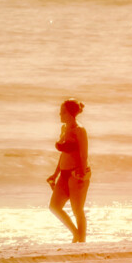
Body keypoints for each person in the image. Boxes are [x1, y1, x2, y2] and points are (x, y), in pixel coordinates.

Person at [47, 98, 91, 242]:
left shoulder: (79, 130)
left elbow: (84, 155)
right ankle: (75, 234)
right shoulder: (64, 129)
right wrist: (55, 174)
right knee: (54, 206)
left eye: (62, 112)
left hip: (76, 173)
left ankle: (81, 241)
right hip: (64, 174)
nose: (60, 114)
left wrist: (82, 174)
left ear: (70, 113)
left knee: (77, 210)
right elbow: (64, 154)